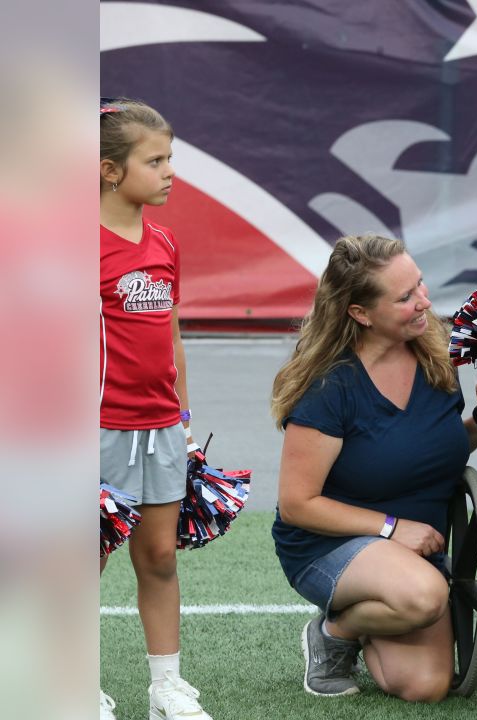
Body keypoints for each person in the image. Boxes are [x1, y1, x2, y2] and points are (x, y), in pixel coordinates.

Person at [270, 234, 477, 702]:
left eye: (419, 285)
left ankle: (358, 625)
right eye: (405, 297)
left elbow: (433, 447)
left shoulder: (432, 348)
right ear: (361, 313)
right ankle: (339, 628)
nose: (424, 301)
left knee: (426, 686)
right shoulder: (330, 385)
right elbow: (297, 504)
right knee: (423, 596)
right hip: (329, 543)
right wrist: (394, 529)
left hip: (414, 550)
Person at [99, 98, 212, 720]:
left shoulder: (165, 241)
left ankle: (165, 686)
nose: (170, 172)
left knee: (160, 556)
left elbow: (171, 340)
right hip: (93, 430)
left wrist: (184, 421)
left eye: (170, 158)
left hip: (162, 428)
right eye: (157, 160)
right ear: (109, 171)